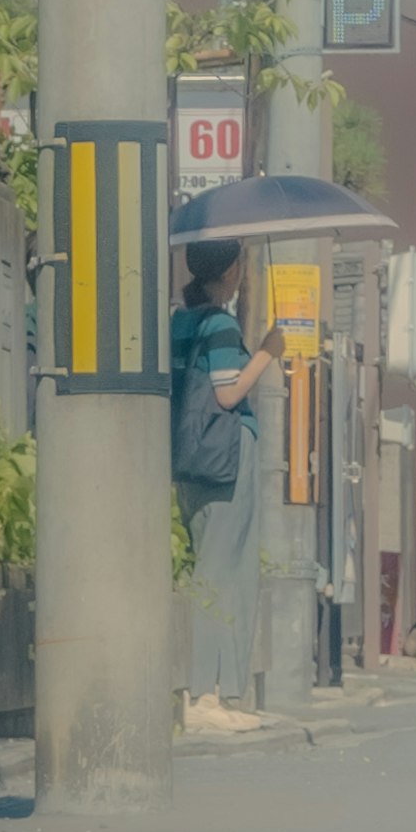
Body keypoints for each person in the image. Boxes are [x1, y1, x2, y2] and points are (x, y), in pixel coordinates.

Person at [171, 240, 282, 722]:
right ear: (231, 269)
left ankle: (211, 693)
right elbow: (227, 393)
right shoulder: (220, 325)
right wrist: (266, 353)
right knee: (226, 574)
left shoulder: (179, 321)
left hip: (188, 456)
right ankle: (208, 695)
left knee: (208, 569)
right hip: (226, 457)